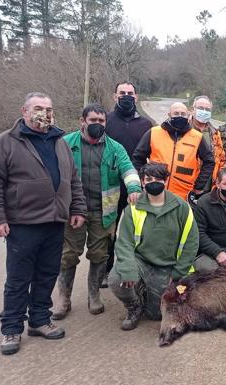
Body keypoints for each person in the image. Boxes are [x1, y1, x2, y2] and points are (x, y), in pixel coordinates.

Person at [0, 92, 86, 355]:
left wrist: (77, 208)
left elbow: (73, 180)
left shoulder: (59, 142)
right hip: (23, 223)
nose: (45, 114)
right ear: (24, 111)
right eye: (39, 108)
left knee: (47, 274)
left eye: (49, 109)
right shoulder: (6, 142)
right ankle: (11, 328)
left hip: (54, 222)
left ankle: (39, 320)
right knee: (18, 279)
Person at [52, 103, 142, 320]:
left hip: (104, 212)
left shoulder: (115, 148)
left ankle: (94, 295)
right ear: (82, 121)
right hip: (73, 211)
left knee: (99, 255)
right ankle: (63, 298)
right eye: (93, 120)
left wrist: (134, 188)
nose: (97, 124)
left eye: (101, 121)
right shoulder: (65, 144)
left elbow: (128, 169)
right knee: (68, 255)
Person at [109, 162, 199, 331]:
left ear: (166, 181)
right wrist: (128, 269)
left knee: (155, 315)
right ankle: (134, 306)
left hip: (168, 266)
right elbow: (124, 243)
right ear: (142, 182)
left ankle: (146, 293)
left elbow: (191, 242)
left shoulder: (182, 207)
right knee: (116, 278)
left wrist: (179, 272)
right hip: (141, 261)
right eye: (148, 179)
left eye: (159, 179)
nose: (154, 182)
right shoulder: (133, 209)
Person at [104, 81, 154, 286]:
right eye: (122, 93)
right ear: (115, 96)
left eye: (130, 93)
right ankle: (105, 270)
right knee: (109, 229)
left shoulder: (146, 124)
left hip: (137, 186)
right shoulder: (105, 120)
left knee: (139, 229)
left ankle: (139, 269)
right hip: (110, 185)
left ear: (136, 97)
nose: (126, 96)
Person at [132, 102, 215, 202]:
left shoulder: (197, 137)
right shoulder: (154, 132)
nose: (180, 116)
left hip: (184, 195)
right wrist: (144, 180)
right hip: (155, 191)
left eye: (183, 114)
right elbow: (138, 157)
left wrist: (199, 185)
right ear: (169, 115)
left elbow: (209, 161)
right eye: (176, 113)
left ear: (188, 115)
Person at [191, 95, 226, 191]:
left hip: (210, 184)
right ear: (193, 109)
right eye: (201, 108)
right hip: (189, 183)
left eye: (207, 109)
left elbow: (221, 159)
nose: (204, 111)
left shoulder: (215, 133)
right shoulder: (184, 130)